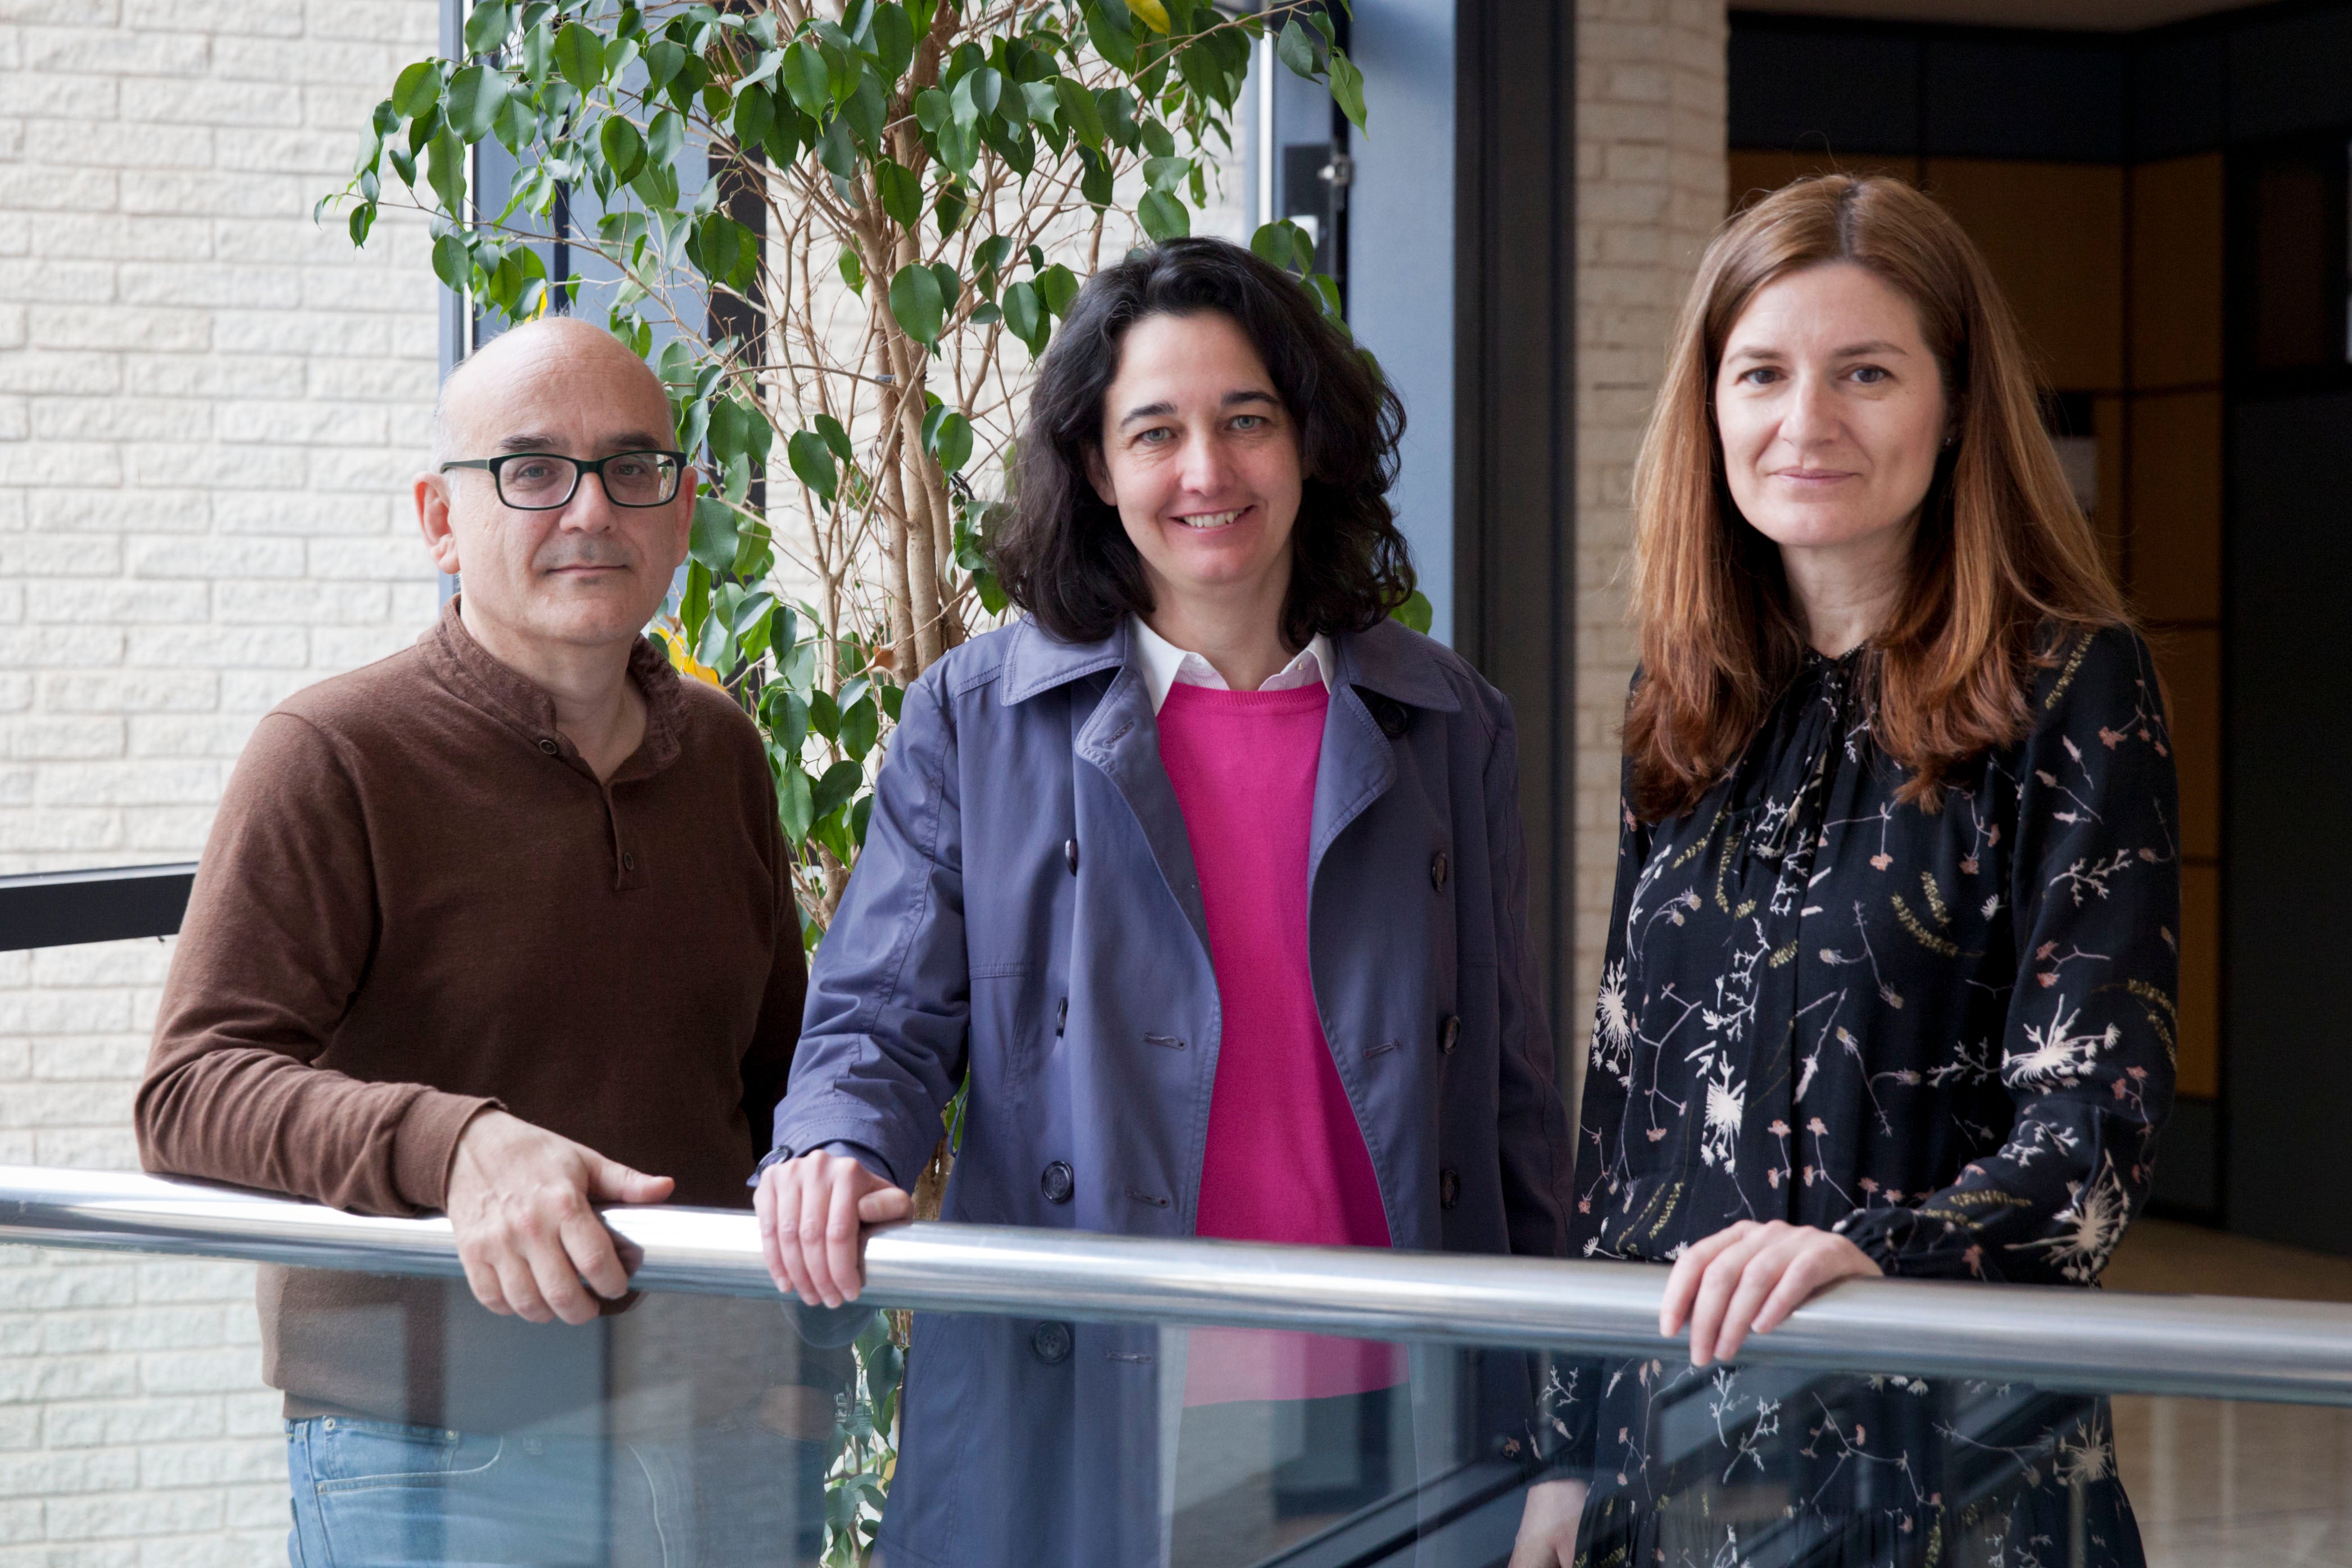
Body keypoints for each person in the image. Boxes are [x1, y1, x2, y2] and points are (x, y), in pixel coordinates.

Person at [752, 235, 1584, 1567]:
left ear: (1306, 440)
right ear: (1095, 466)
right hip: (1095, 1393)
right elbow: (877, 1013)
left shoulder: (1445, 722)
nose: (1206, 470)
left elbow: (1510, 1099)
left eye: (1244, 419)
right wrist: (836, 1144)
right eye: (1155, 431)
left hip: (1398, 1403)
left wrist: (1569, 1423)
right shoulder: (976, 718)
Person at [135, 317, 834, 1567]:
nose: (589, 509)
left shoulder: (722, 752)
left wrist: (803, 1370)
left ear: (679, 514)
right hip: (446, 1450)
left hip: (726, 1424)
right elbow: (189, 1093)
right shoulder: (334, 752)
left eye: (633, 468)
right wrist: (455, 1144)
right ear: (440, 520)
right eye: (529, 469)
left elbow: (776, 1083)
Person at [1557, 175, 2177, 1565]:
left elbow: (2092, 1140)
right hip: (1678, 1478)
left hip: (1956, 1479)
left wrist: (1869, 1251)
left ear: (1954, 405)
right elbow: (1620, 1134)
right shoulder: (1683, 700)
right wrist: (1560, 1452)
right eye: (1761, 372)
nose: (1804, 420)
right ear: (1709, 404)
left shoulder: (2070, 683)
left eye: (1865, 373)